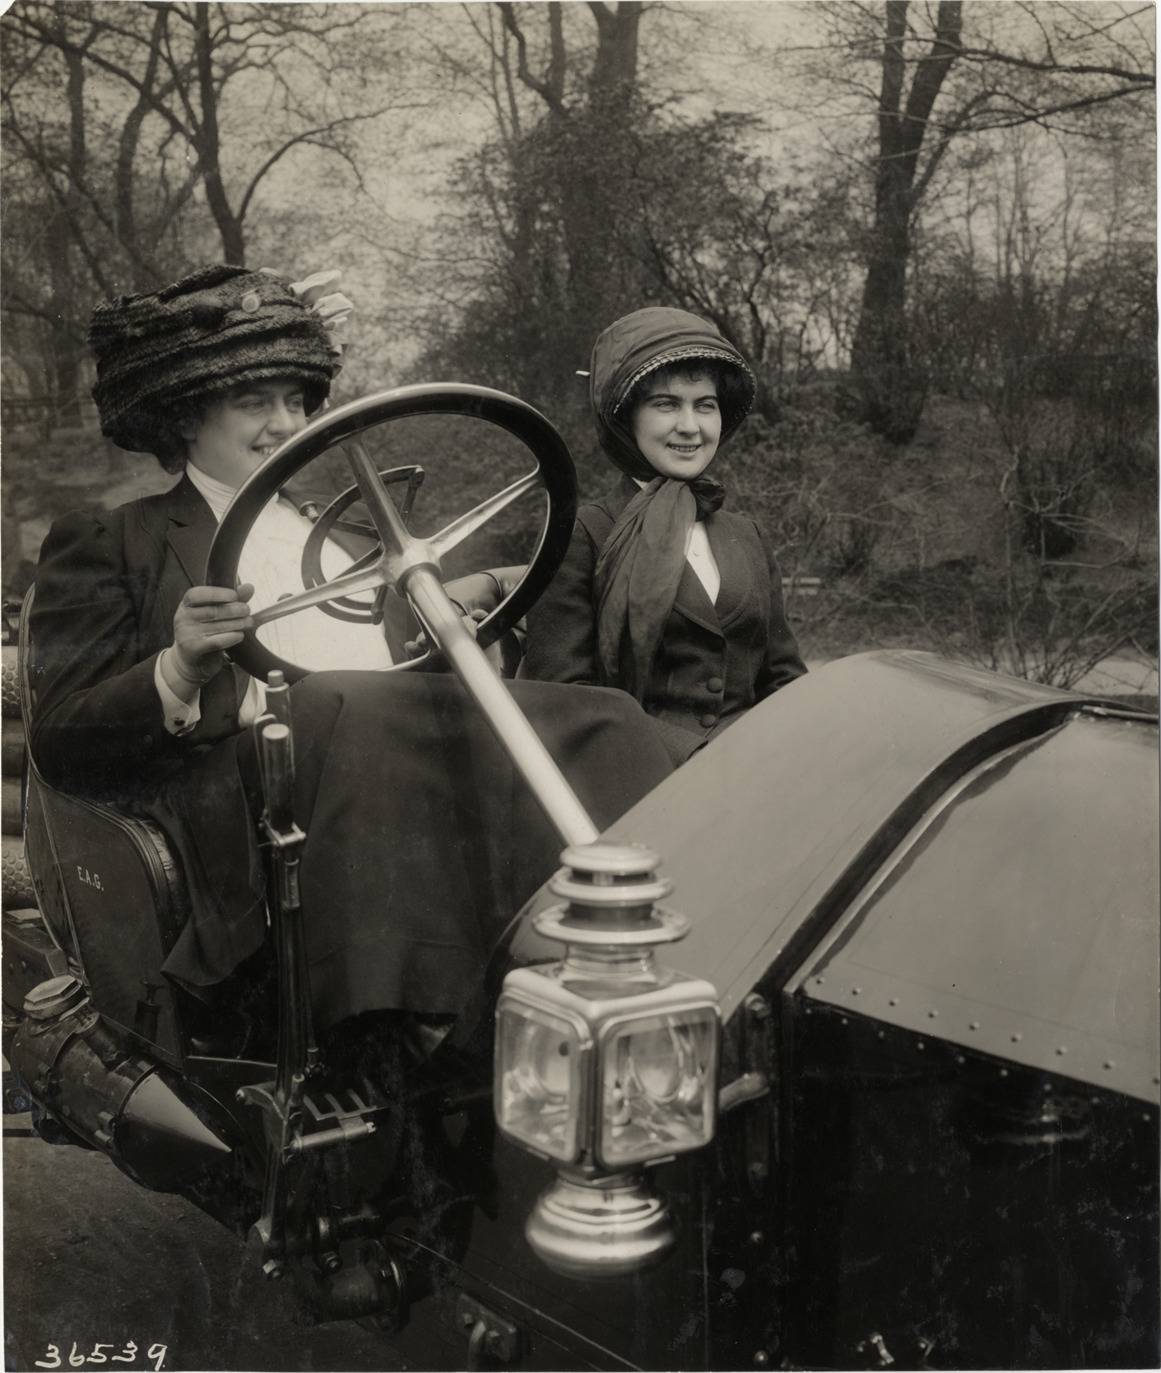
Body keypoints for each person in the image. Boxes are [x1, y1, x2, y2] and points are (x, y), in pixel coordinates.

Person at [29, 264, 674, 1036]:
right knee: (344, 703)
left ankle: (635, 957)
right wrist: (177, 667)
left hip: (391, 773)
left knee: (605, 718)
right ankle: (395, 1024)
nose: (285, 423)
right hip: (244, 816)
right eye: (254, 402)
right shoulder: (111, 539)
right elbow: (60, 743)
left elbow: (422, 681)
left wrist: (461, 641)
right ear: (187, 415)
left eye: (296, 401)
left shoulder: (360, 540)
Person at [523, 307, 807, 766]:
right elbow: (566, 698)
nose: (690, 426)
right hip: (639, 776)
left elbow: (785, 679)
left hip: (759, 771)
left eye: (705, 405)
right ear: (626, 419)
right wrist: (704, 760)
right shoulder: (580, 534)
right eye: (666, 404)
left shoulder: (747, 535)